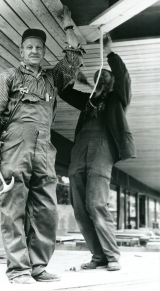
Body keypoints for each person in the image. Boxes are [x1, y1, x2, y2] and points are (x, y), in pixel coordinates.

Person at [0, 6, 85, 284]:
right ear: (21, 51)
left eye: (39, 47)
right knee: (14, 209)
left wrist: (68, 25)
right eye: (29, 47)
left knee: (46, 209)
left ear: (43, 51)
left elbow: (73, 59)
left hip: (44, 149)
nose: (34, 51)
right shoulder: (8, 78)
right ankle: (18, 271)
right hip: (15, 146)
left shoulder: (53, 79)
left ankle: (38, 267)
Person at [59, 34, 136, 271]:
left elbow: (123, 78)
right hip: (79, 151)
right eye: (97, 77)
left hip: (102, 151)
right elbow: (63, 90)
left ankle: (112, 256)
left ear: (111, 83)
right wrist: (72, 66)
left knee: (96, 203)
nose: (101, 79)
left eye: (106, 77)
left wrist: (110, 52)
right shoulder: (88, 101)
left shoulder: (117, 99)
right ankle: (98, 256)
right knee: (80, 208)